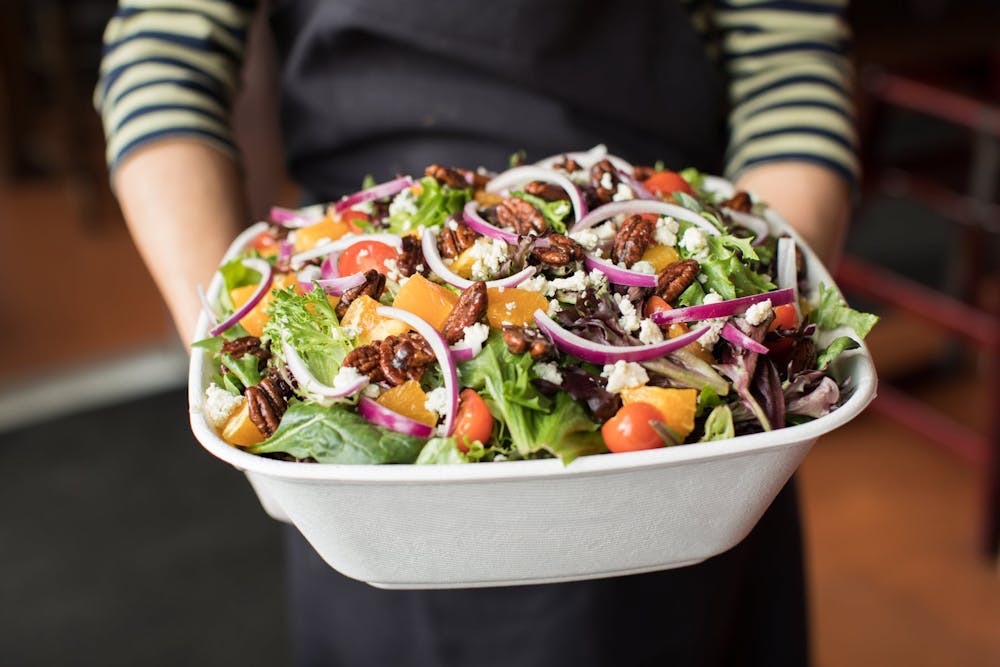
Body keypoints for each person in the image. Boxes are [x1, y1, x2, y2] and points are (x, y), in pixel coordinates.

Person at [96, 1, 857, 664]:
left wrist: (768, 303)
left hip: (672, 364)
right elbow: (161, 52)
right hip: (366, 316)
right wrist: (244, 342)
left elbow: (788, 65)